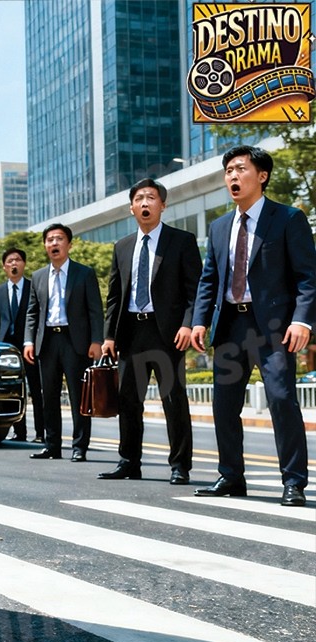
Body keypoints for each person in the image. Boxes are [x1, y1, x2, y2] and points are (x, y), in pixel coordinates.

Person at [191, 145, 315, 507]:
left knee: (281, 400)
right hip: (230, 326)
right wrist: (200, 321)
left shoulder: (288, 218)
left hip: (274, 328)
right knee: (224, 405)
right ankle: (231, 476)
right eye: (228, 170)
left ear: (261, 176)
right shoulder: (218, 227)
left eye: (240, 169)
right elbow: (209, 280)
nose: (232, 176)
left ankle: (294, 481)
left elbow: (308, 277)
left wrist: (302, 320)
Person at [99, 179, 201, 485]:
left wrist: (188, 323)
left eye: (151, 198)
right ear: (131, 207)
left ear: (163, 205)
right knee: (129, 400)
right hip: (131, 331)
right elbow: (115, 295)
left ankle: (179, 465)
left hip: (167, 333)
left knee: (173, 400)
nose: (145, 203)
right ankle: (129, 461)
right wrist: (109, 335)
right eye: (139, 198)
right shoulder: (122, 246)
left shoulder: (181, 241)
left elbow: (195, 291)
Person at [23, 224, 103, 462]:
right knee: (49, 396)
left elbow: (95, 311)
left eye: (59, 239)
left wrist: (96, 340)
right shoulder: (37, 276)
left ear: (69, 244)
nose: (54, 243)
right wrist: (29, 341)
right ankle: (52, 446)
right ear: (45, 245)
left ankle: (79, 446)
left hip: (74, 341)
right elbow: (32, 312)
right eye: (49, 240)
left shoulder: (84, 273)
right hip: (47, 341)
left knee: (79, 397)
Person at [0, 247, 42, 443]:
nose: (13, 263)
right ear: (4, 267)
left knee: (36, 389)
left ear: (24, 264)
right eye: (9, 261)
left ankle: (41, 433)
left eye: (17, 260)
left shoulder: (33, 287)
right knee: (13, 389)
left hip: (30, 346)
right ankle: (20, 432)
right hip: (6, 349)